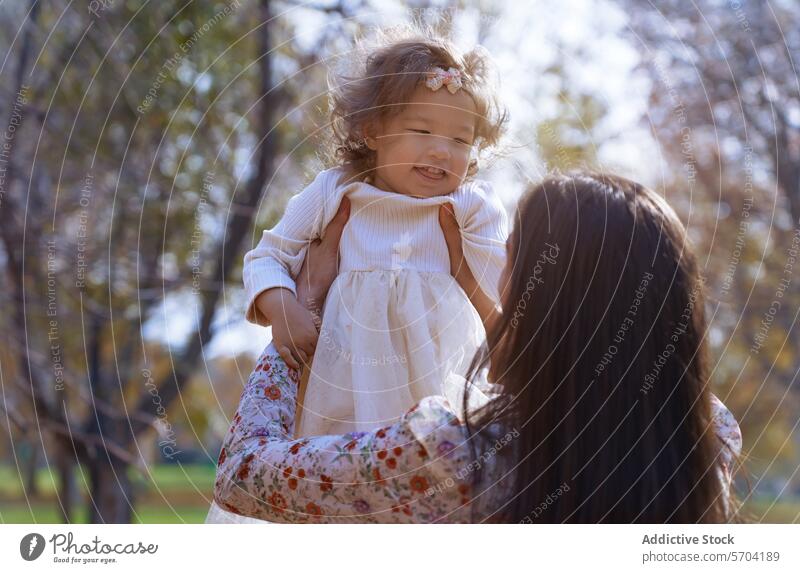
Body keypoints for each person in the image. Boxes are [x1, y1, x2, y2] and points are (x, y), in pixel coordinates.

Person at [212, 172, 743, 523]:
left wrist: (305, 309)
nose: (499, 279)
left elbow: (244, 477)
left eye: (509, 259)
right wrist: (469, 286)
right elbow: (588, 373)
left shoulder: (450, 455)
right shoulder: (706, 439)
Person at [241, 28, 509, 440]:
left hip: (437, 380)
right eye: (422, 131)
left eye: (460, 139)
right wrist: (282, 307)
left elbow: (512, 285)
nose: (441, 150)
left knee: (434, 474)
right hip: (344, 374)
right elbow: (268, 256)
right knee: (339, 470)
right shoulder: (336, 190)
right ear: (372, 131)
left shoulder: (469, 205)